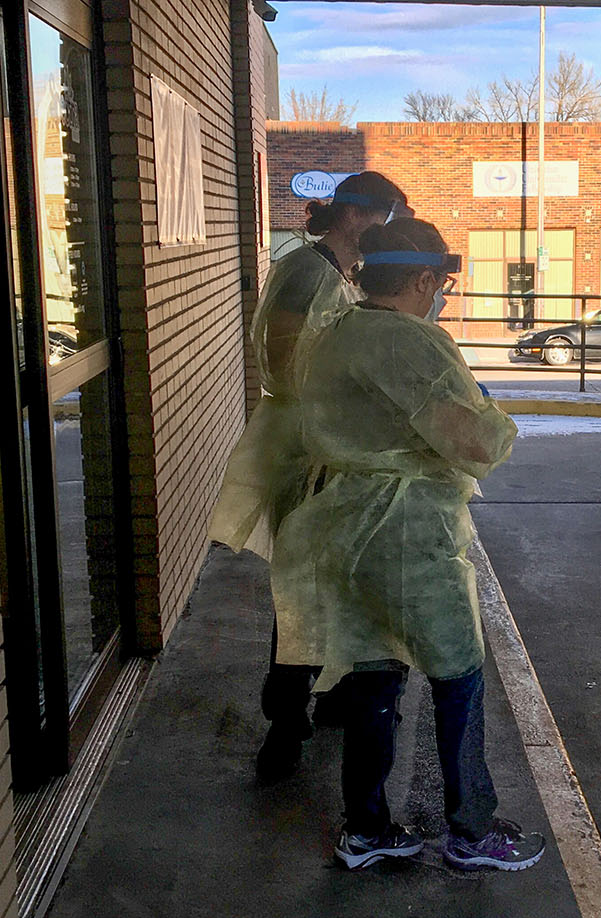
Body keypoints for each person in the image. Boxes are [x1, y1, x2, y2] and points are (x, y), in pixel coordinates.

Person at [271, 217, 545, 872]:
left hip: (342, 527)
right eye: (441, 285)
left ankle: (366, 828)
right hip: (406, 532)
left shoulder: (335, 332)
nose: (441, 296)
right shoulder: (410, 342)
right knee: (459, 672)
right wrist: (492, 415)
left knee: (373, 674)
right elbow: (475, 443)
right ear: (422, 280)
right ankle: (471, 831)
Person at [207, 172, 412, 782]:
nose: (387, 234)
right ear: (356, 217)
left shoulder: (333, 272)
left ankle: (333, 695)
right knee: (302, 584)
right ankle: (285, 722)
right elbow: (285, 359)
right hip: (307, 447)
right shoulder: (306, 271)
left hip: (329, 443)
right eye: (385, 220)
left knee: (339, 579)